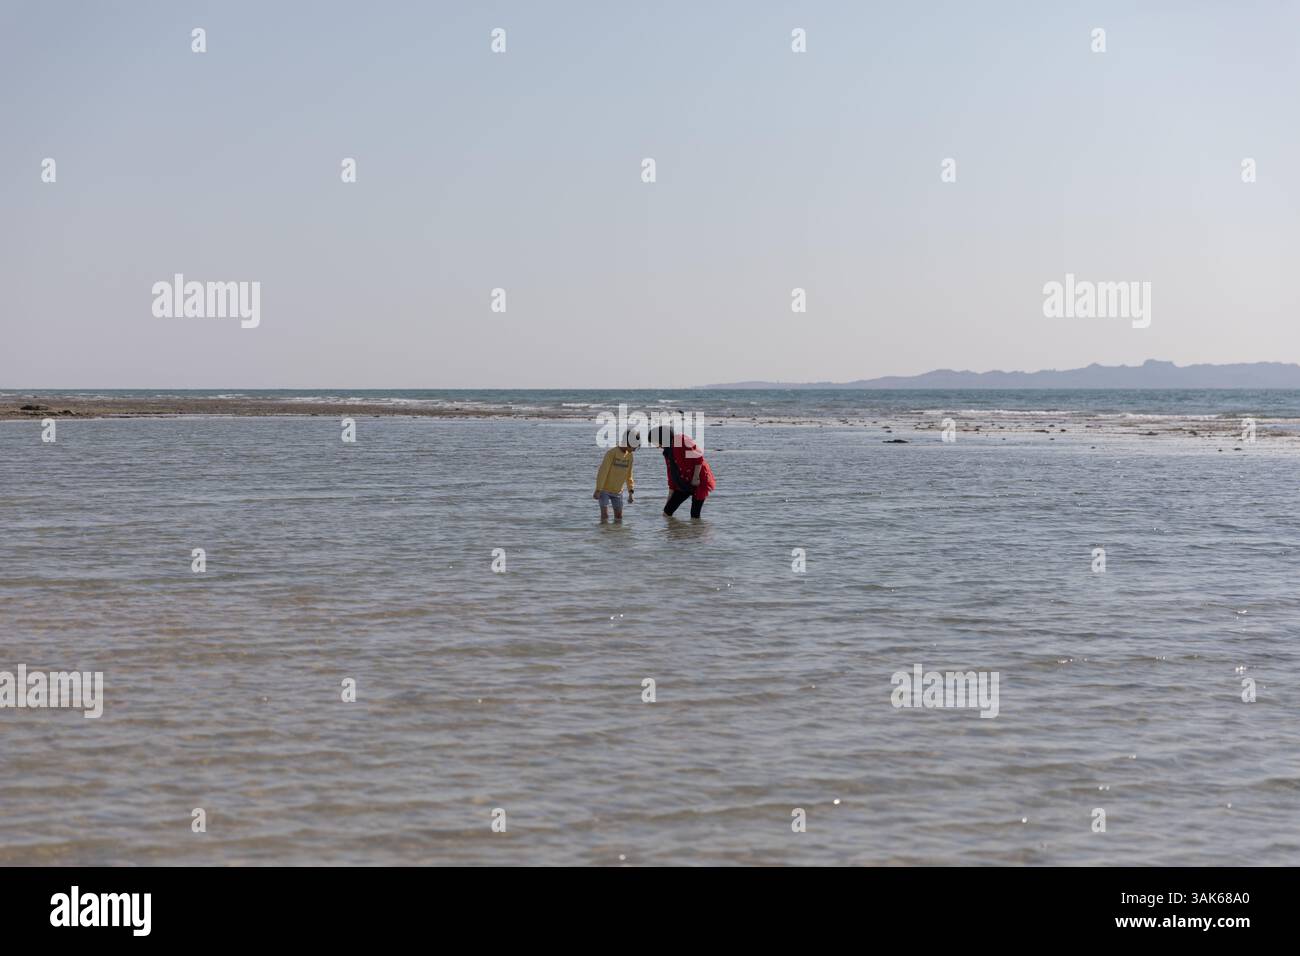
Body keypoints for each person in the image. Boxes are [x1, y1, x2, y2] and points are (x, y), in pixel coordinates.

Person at [656, 424, 715, 518]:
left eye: (657, 443)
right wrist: (668, 501)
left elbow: (698, 456)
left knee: (695, 516)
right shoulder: (667, 452)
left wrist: (695, 478)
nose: (657, 447)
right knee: (666, 513)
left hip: (699, 480)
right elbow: (671, 475)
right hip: (683, 482)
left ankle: (698, 532)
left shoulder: (680, 440)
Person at [593, 428, 638, 521]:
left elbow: (629, 475)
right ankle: (604, 534)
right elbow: (603, 472)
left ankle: (616, 535)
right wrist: (598, 490)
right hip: (604, 490)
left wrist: (631, 492)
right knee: (605, 516)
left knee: (619, 517)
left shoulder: (630, 456)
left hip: (618, 491)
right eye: (634, 446)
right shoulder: (611, 453)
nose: (634, 449)